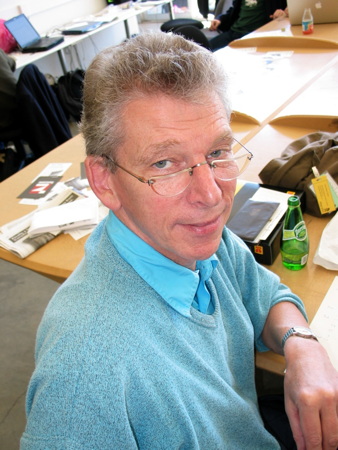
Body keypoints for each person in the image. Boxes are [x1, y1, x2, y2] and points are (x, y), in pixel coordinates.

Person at [21, 33, 338, 449]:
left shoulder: (200, 241)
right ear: (104, 181)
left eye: (217, 152)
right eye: (165, 163)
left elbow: (264, 295)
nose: (211, 196)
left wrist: (302, 345)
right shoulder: (86, 372)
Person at [208, 0, 288, 51]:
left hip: (256, 37)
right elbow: (233, 11)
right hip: (234, 33)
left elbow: (287, 10)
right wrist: (220, 19)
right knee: (205, 51)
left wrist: (282, 13)